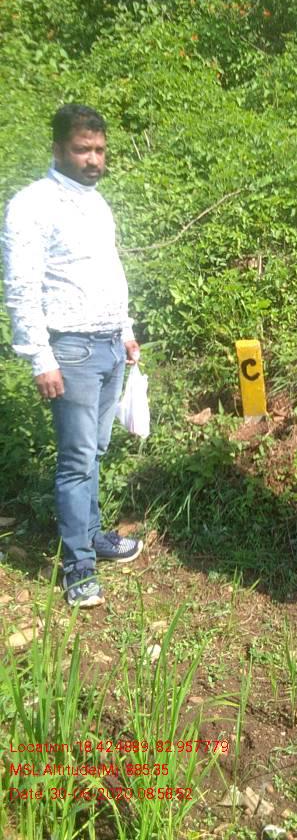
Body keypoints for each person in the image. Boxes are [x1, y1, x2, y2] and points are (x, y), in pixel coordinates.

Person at [2, 104, 143, 608]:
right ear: (58, 148)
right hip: (72, 349)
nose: (94, 159)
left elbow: (109, 270)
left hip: (108, 345)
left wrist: (125, 330)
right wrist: (40, 358)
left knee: (96, 451)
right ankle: (78, 565)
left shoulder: (97, 203)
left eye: (100, 149)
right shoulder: (31, 205)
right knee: (77, 460)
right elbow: (21, 288)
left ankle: (93, 534)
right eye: (83, 149)